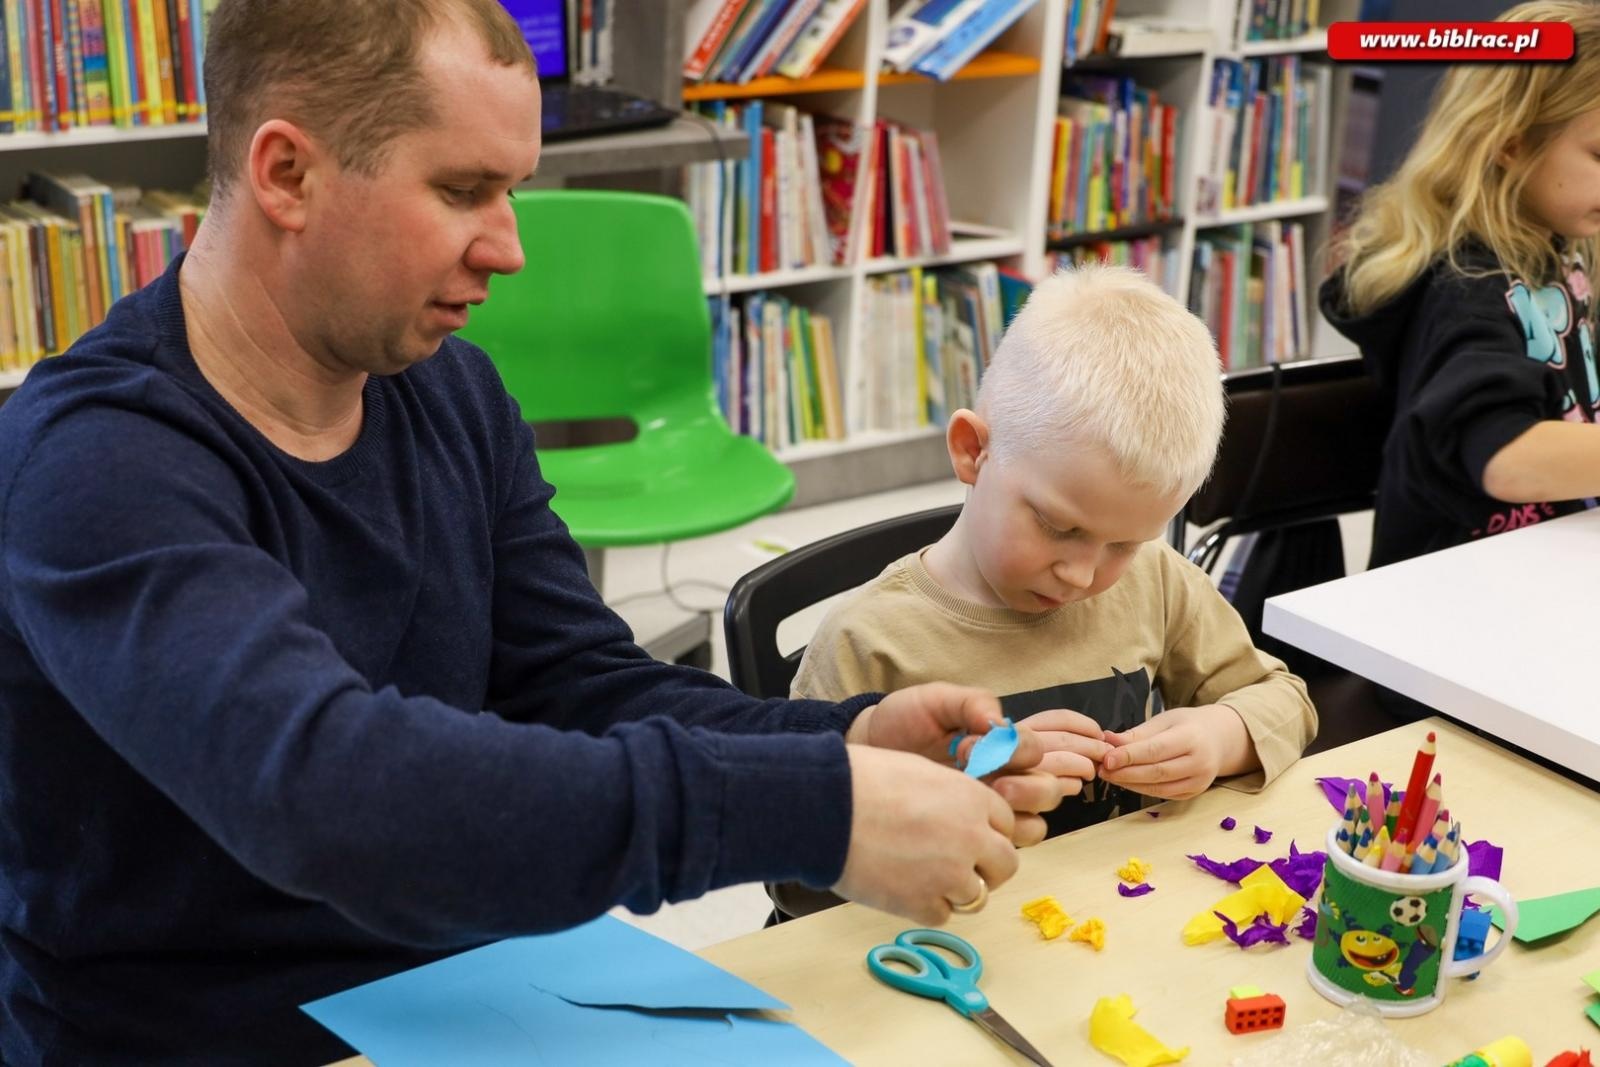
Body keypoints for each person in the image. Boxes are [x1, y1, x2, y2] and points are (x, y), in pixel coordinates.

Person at [0, 2, 1065, 1062]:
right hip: (189, 1034)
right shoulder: (96, 461)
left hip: (464, 980)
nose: (509, 248)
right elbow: (324, 794)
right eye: (463, 190)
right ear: (287, 174)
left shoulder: (450, 390)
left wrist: (838, 741)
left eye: (511, 190)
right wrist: (810, 807)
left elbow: (580, 680)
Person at [793, 265, 1318, 848]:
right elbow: (796, 873)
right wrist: (961, 799)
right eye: (1057, 526)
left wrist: (1224, 735)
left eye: (1124, 543)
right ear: (973, 451)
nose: (1083, 574)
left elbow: (1287, 699)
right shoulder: (867, 643)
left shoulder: (1155, 582)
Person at [1321, 0, 1600, 569]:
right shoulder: (1466, 285)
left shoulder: (1557, 248)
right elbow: (1505, 454)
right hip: (1449, 592)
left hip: (1541, 561)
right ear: (1511, 141)